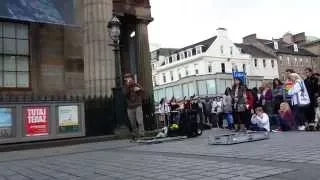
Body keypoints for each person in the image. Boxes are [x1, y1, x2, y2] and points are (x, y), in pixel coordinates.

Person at [124, 73, 145, 138]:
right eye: (126, 78)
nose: (128, 79)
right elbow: (125, 94)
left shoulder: (136, 85)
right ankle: (135, 134)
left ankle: (141, 134)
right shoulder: (125, 87)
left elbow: (143, 91)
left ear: (131, 78)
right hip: (130, 107)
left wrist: (139, 89)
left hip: (137, 105)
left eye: (129, 77)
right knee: (132, 123)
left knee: (140, 121)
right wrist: (128, 86)